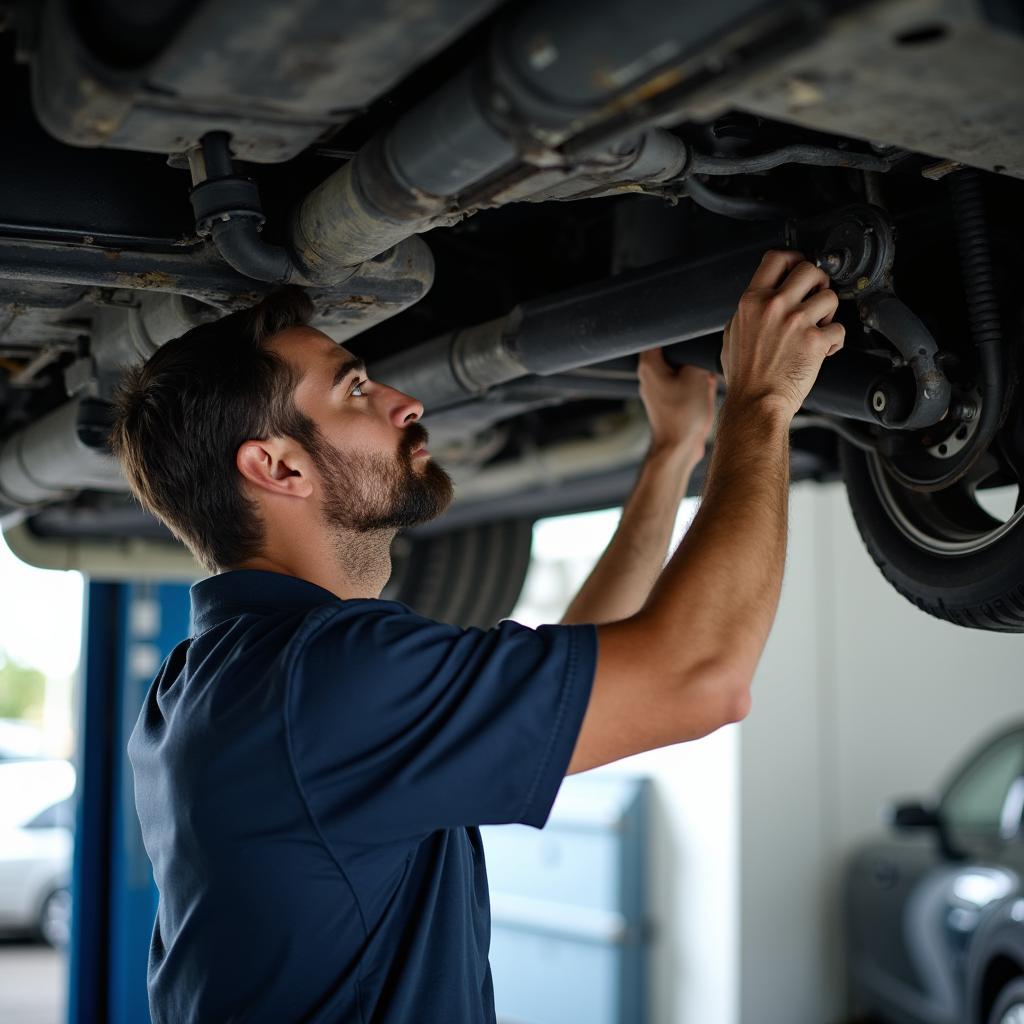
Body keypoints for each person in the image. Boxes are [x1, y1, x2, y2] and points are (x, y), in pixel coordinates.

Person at [109, 249, 842, 1024]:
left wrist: (674, 454)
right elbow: (701, 677)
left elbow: (588, 670)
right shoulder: (322, 676)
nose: (405, 402)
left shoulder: (217, 675)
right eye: (355, 389)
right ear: (279, 468)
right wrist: (759, 401)